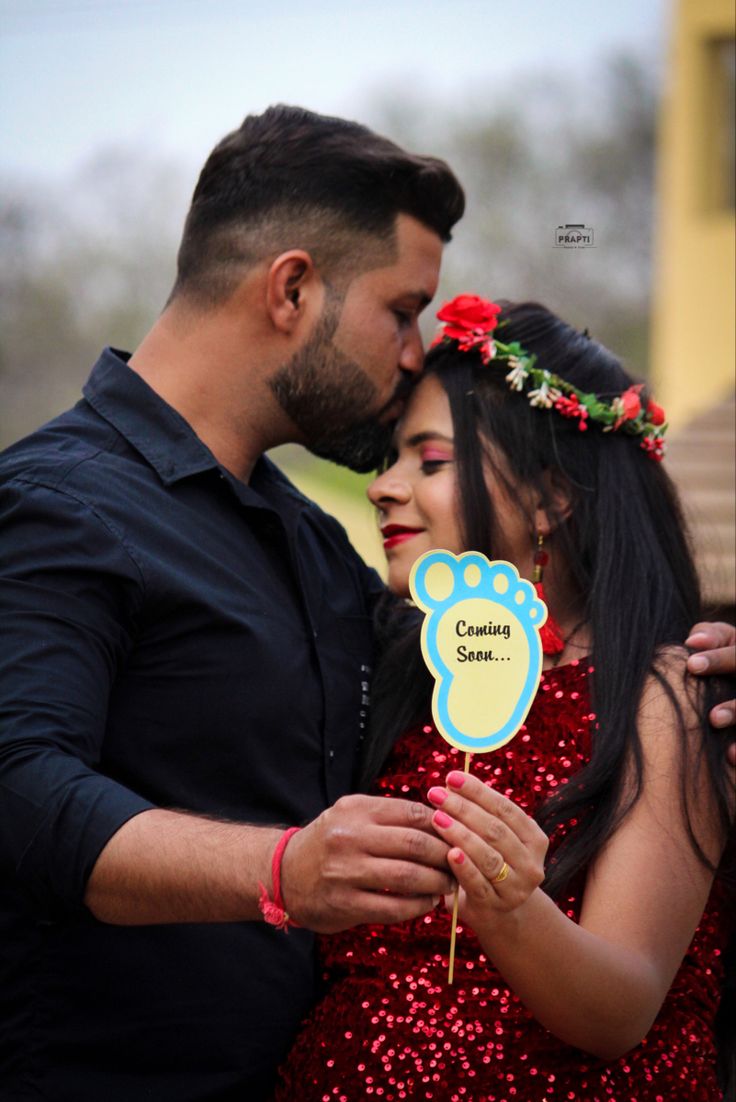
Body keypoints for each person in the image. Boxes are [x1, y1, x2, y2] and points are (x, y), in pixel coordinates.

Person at [0, 105, 466, 1102]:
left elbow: (460, 665)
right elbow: (20, 790)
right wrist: (285, 870)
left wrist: (672, 671)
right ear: (292, 286)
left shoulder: (303, 533)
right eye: (401, 308)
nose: (416, 349)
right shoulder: (53, 505)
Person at [276, 296, 735, 1101]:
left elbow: (619, 1006)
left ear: (552, 496)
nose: (384, 487)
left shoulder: (663, 696)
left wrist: (510, 907)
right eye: (392, 457)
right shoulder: (394, 667)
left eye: (430, 460)